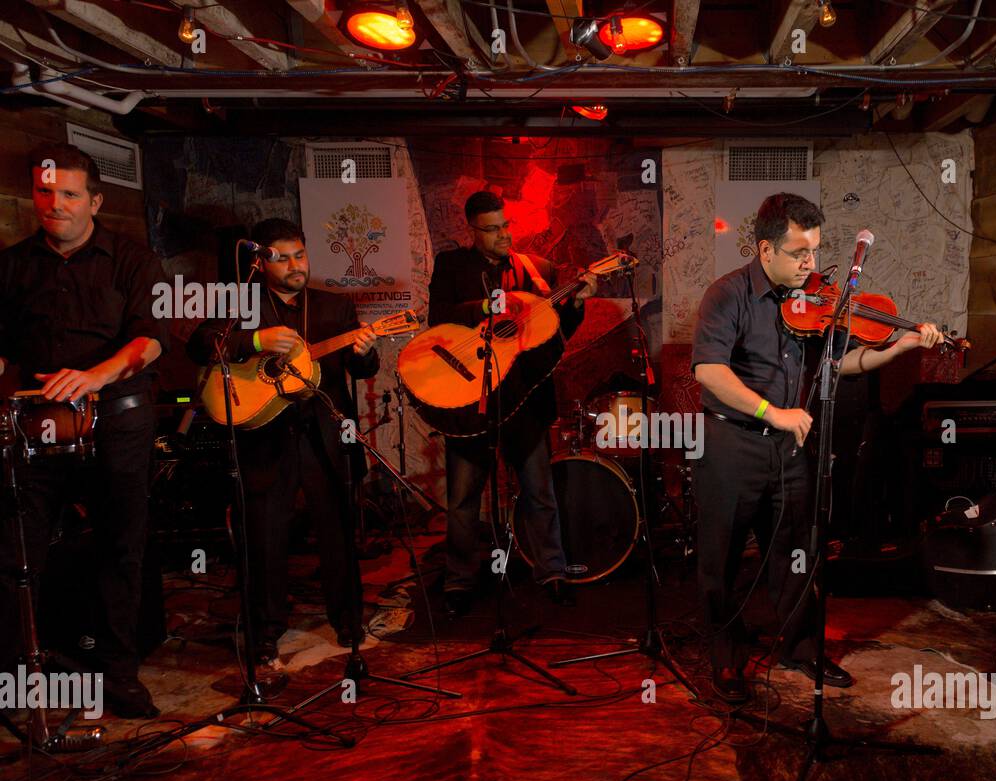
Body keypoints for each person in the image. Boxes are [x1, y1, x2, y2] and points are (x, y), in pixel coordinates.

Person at [691, 192, 942, 704]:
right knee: (723, 559)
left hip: (789, 449)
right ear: (765, 250)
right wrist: (772, 412)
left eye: (815, 251)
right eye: (799, 253)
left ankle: (800, 649)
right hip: (732, 445)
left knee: (797, 554)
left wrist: (901, 346)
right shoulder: (727, 295)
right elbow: (709, 370)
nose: (811, 264)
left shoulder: (812, 301)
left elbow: (842, 365)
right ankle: (726, 658)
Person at [0, 145, 168, 718]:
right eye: (45, 193)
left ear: (94, 199)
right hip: (33, 429)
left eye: (69, 194)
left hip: (118, 422)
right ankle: (20, 674)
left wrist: (92, 376)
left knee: (120, 548)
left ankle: (119, 675)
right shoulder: (12, 264)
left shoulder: (132, 259)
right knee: (18, 554)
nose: (56, 205)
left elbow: (150, 340)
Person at [187, 218, 379, 661]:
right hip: (264, 437)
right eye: (283, 258)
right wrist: (253, 339)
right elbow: (199, 346)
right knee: (265, 536)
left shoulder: (334, 307)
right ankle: (266, 630)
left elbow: (360, 371)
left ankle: (348, 619)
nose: (295, 265)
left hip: (324, 435)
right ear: (261, 261)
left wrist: (365, 352)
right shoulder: (242, 303)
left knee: (338, 531)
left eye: (300, 254)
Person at [426, 191, 595, 618]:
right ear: (473, 230)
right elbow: (438, 320)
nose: (503, 234)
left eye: (506, 225)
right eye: (492, 228)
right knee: (463, 498)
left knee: (539, 491)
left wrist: (576, 303)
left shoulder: (538, 272)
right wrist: (486, 308)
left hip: (524, 399)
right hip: (469, 399)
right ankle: (460, 579)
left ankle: (551, 572)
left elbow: (557, 335)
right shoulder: (452, 266)